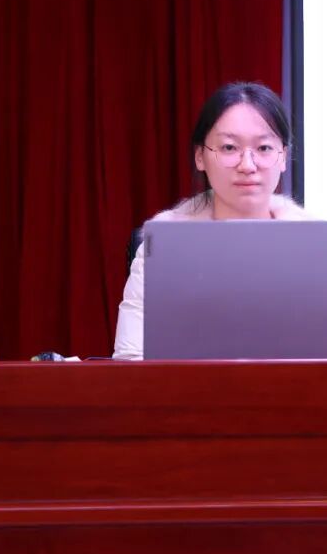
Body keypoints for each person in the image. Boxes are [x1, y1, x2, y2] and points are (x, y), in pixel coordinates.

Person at [113, 82, 312, 360]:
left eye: (264, 148)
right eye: (229, 147)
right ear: (200, 157)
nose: (248, 165)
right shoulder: (165, 244)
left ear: (283, 158)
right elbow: (130, 357)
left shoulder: (315, 245)